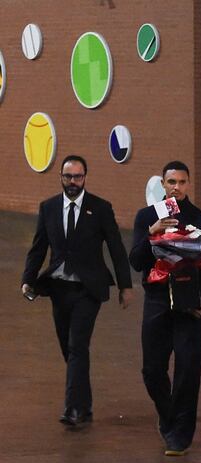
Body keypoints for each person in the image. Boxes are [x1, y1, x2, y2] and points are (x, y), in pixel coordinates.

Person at [21, 154, 133, 426]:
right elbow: (38, 247)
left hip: (88, 289)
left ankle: (73, 409)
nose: (73, 182)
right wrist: (27, 279)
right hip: (58, 289)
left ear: (85, 177)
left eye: (78, 177)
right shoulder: (48, 207)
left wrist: (125, 286)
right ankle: (84, 404)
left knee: (77, 345)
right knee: (68, 349)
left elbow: (117, 249)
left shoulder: (100, 208)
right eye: (68, 177)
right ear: (61, 177)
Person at [129, 161, 201, 456]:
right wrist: (150, 233)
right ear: (163, 185)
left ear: (188, 185)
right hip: (156, 300)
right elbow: (136, 261)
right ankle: (168, 415)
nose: (176, 187)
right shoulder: (146, 217)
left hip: (188, 303)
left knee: (188, 370)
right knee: (152, 369)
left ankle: (180, 435)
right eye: (171, 182)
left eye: (182, 182)